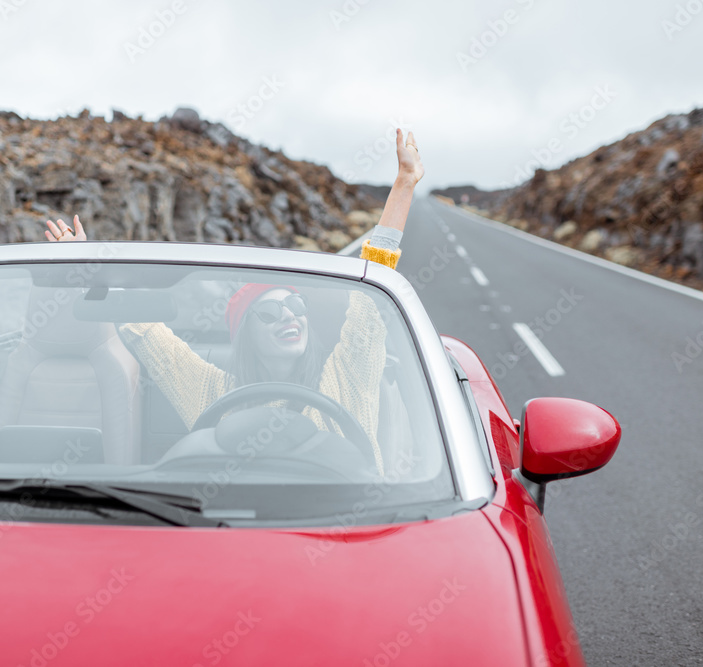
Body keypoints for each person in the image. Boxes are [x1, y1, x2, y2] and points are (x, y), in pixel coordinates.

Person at [44, 129, 424, 474]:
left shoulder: (348, 373)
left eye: (295, 306)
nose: (287, 317)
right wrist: (85, 266)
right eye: (270, 312)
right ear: (246, 333)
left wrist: (404, 184)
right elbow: (148, 334)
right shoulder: (215, 391)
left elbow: (371, 292)